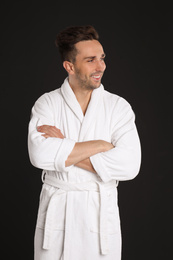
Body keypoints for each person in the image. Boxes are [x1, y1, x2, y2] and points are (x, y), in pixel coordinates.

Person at [28, 25, 141, 260]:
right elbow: (39, 155)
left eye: (101, 58)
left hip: (99, 219)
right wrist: (101, 144)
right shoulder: (47, 104)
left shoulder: (118, 107)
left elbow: (130, 165)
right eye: (90, 60)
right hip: (58, 216)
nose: (101, 66)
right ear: (69, 66)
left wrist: (64, 146)